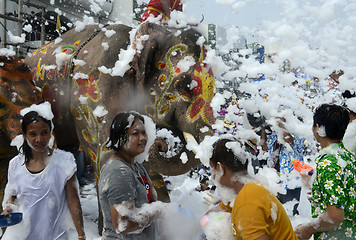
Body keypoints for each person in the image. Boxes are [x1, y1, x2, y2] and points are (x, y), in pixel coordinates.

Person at [1, 102, 85, 240]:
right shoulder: (16, 164)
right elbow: (13, 195)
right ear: (24, 135)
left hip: (55, 234)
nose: (39, 139)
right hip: (23, 234)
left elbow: (73, 200)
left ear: (50, 132)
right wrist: (9, 208)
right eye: (33, 134)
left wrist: (81, 235)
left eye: (44, 133)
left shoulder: (64, 162)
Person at [210, 138, 298, 240]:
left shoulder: (247, 201)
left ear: (220, 168)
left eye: (211, 168)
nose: (212, 176)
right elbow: (220, 209)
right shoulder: (244, 189)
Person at [98, 112, 165, 239]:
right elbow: (123, 224)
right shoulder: (119, 172)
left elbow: (151, 201)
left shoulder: (136, 166)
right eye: (135, 133)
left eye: (143, 132)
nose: (143, 138)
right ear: (120, 137)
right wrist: (159, 210)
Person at [295, 104, 356, 240]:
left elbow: (335, 216)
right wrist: (321, 197)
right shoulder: (349, 157)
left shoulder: (328, 163)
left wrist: (308, 229)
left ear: (318, 128)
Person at [261, 117, 305, 216]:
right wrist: (262, 127)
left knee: (289, 212)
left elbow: (288, 140)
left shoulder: (298, 134)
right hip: (275, 179)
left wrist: (281, 125)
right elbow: (265, 147)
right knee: (275, 212)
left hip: (291, 181)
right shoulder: (276, 134)